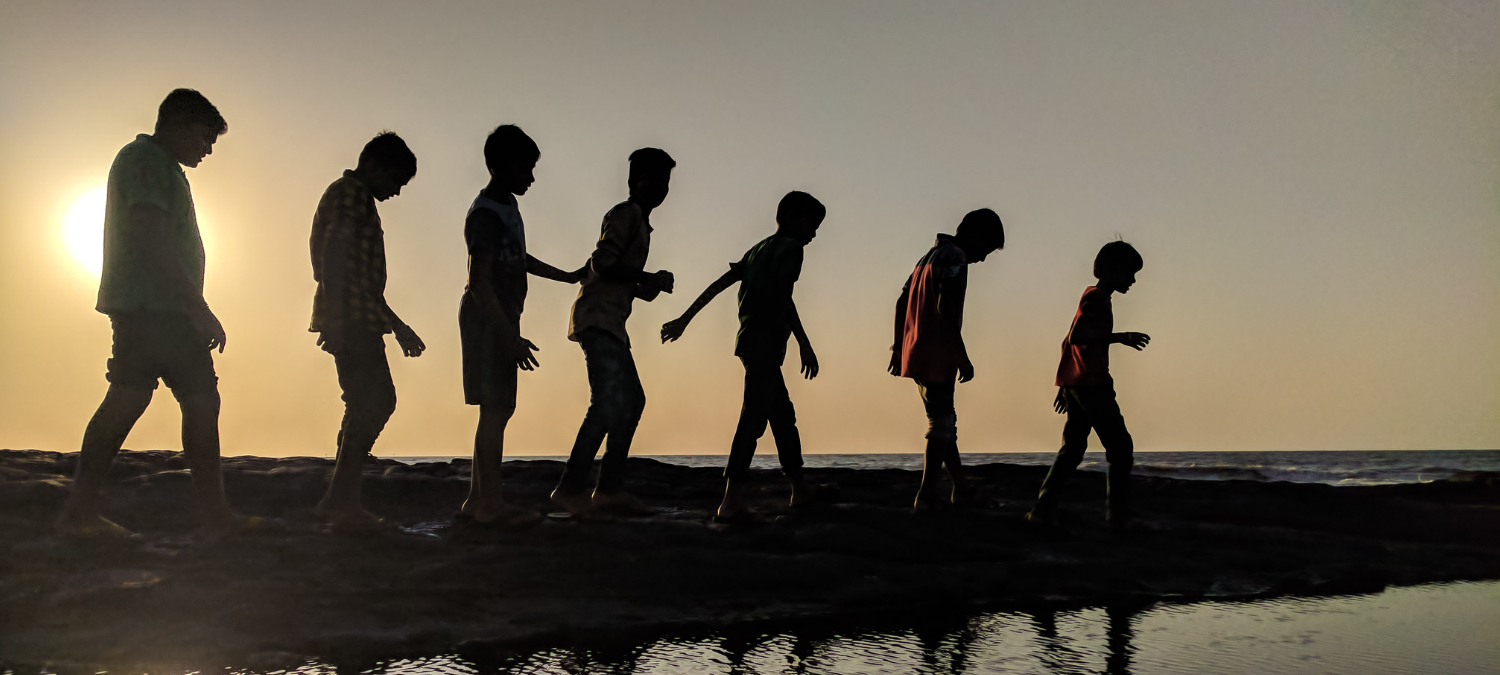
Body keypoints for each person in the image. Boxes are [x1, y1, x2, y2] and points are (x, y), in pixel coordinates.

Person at [56, 89, 253, 538]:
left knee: (137, 397)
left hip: (153, 307)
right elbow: (150, 235)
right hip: (155, 309)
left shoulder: (160, 166)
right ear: (179, 125)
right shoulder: (145, 160)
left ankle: (81, 511)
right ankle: (214, 515)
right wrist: (197, 307)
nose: (207, 149)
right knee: (187, 400)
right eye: (205, 138)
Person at [661, 191, 827, 523]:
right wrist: (804, 344)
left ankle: (799, 488)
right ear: (793, 218)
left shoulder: (758, 249)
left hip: (749, 341)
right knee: (753, 419)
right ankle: (731, 501)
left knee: (781, 415)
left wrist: (685, 319)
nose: (814, 234)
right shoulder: (790, 249)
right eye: (812, 225)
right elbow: (783, 298)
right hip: (764, 342)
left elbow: (720, 284)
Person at [457, 125, 583, 526]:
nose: (531, 177)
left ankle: (478, 500)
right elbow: (479, 282)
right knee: (496, 409)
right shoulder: (486, 214)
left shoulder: (506, 207)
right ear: (499, 166)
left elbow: (519, 258)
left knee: (496, 410)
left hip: (499, 316)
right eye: (525, 168)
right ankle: (489, 503)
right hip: (486, 317)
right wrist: (508, 336)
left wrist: (565, 276)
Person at [308, 132, 426, 527]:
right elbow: (334, 259)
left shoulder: (354, 197)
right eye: (395, 182)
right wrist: (338, 320)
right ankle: (339, 499)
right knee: (375, 402)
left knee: (364, 402)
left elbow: (362, 280)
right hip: (351, 319)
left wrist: (397, 326)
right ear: (375, 166)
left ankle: (342, 494)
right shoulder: (351, 195)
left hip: (361, 315)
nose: (395, 192)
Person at [550, 148, 677, 517]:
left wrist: (647, 287)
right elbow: (602, 263)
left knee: (631, 401)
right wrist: (644, 277)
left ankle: (608, 489)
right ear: (635, 182)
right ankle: (571, 489)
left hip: (611, 322)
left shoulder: (641, 222)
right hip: (598, 320)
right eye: (653, 180)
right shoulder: (626, 214)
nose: (661, 188)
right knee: (607, 402)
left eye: (665, 182)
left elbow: (619, 277)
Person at [1026, 241, 1150, 528]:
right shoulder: (1096, 299)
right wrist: (1122, 337)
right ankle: (1117, 517)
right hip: (1093, 385)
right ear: (1110, 270)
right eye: (1129, 273)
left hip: (1078, 384)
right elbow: (1077, 337)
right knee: (1120, 448)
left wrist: (1065, 384)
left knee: (1072, 449)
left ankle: (1042, 509)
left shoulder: (1092, 296)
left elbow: (1068, 340)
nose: (1132, 280)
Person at [888, 209, 1005, 511]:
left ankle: (961, 488)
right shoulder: (955, 258)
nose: (983, 258)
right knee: (941, 423)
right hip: (936, 351)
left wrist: (898, 345)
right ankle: (926, 494)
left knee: (944, 421)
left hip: (916, 349)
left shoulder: (928, 256)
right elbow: (946, 309)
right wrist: (961, 355)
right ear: (977, 237)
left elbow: (902, 301)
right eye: (986, 250)